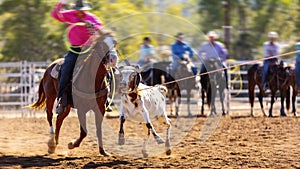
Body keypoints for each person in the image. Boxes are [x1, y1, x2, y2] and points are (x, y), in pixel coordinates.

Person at [51, 0, 103, 114]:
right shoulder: (69, 15)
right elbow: (55, 14)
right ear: (75, 9)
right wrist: (61, 4)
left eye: (82, 10)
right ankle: (60, 98)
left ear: (85, 9)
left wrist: (94, 26)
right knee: (66, 69)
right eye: (78, 9)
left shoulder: (91, 17)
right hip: (75, 49)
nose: (80, 12)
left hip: (89, 49)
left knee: (104, 67)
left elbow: (101, 28)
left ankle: (106, 97)